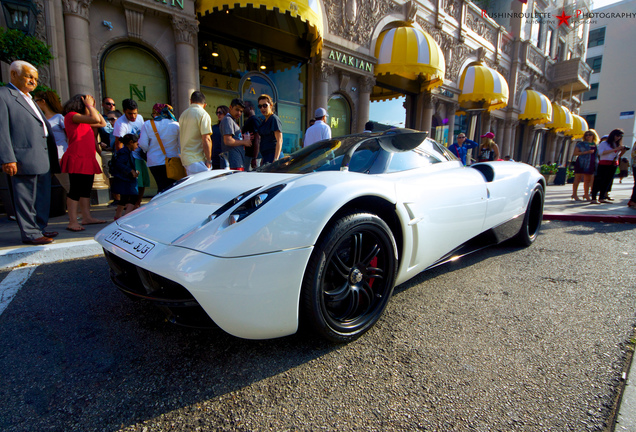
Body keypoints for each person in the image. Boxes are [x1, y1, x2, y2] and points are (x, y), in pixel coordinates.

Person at [0, 60, 61, 245]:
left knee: (41, 196)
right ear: (13, 75)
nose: (33, 81)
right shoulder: (4, 95)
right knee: (25, 198)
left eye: (35, 78)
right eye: (29, 76)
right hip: (21, 157)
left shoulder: (29, 98)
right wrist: (7, 158)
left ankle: (39, 227)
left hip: (42, 157)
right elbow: (1, 129)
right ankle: (31, 233)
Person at [60, 94, 107, 231]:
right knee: (75, 190)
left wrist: (92, 107)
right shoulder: (71, 116)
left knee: (86, 190)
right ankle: (72, 221)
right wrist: (89, 105)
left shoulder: (84, 120)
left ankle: (86, 217)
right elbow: (95, 118)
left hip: (87, 157)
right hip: (77, 157)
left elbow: (102, 122)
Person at [33, 90, 70, 193]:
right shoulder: (41, 118)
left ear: (43, 101)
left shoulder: (59, 118)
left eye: (36, 101)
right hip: (47, 156)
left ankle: (80, 208)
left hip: (61, 155)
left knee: (68, 185)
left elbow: (69, 136)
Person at [113, 99, 148, 207]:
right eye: (130, 113)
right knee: (133, 184)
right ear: (124, 111)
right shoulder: (120, 123)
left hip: (140, 155)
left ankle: (137, 204)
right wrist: (124, 161)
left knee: (142, 182)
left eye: (135, 113)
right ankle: (130, 206)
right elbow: (119, 144)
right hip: (130, 156)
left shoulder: (140, 118)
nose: (133, 116)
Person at [138, 104, 180, 193]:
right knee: (172, 188)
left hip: (155, 161)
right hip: (173, 161)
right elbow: (181, 144)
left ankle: (160, 205)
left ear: (155, 112)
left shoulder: (148, 124)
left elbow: (143, 144)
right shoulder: (176, 125)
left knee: (161, 186)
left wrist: (150, 149)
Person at [179, 91, 213, 175]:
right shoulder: (203, 114)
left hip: (186, 159)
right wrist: (209, 160)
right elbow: (206, 139)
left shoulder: (183, 114)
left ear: (191, 101)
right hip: (198, 160)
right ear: (205, 104)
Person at [590, 129, 627, 204]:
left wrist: (622, 150)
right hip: (604, 163)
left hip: (613, 163)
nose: (618, 138)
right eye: (617, 136)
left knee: (607, 181)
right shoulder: (604, 143)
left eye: (620, 137)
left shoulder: (617, 144)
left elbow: (618, 156)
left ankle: (602, 197)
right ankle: (594, 198)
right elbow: (600, 153)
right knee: (599, 180)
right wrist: (615, 149)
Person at [111, 134, 139, 220]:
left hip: (123, 178)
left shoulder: (124, 151)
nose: (137, 147)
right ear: (131, 142)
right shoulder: (124, 152)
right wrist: (130, 171)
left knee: (124, 198)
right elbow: (119, 164)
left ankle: (118, 216)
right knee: (133, 197)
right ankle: (126, 217)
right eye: (136, 144)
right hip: (125, 179)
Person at [220, 98, 252, 170]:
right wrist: (244, 142)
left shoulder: (232, 120)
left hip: (237, 161)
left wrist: (242, 137)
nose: (239, 113)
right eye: (237, 110)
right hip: (232, 162)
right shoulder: (228, 120)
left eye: (241, 111)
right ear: (230, 107)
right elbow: (227, 140)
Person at [571, 129, 598, 201]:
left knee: (588, 180)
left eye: (590, 134)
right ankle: (574, 194)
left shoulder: (595, 144)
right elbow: (575, 153)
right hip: (581, 162)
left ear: (593, 136)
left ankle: (586, 194)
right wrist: (586, 152)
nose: (588, 136)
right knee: (578, 178)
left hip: (591, 163)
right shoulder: (581, 144)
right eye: (586, 135)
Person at [256, 94, 283, 164]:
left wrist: (276, 159)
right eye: (260, 106)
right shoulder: (263, 122)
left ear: (270, 105)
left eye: (265, 105)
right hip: (266, 157)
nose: (262, 108)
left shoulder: (274, 119)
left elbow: (279, 140)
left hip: (274, 156)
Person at [242, 101, 262, 170]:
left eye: (244, 107)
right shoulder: (249, 120)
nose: (243, 110)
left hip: (252, 156)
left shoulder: (254, 120)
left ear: (251, 108)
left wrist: (254, 158)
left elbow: (257, 138)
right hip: (248, 155)